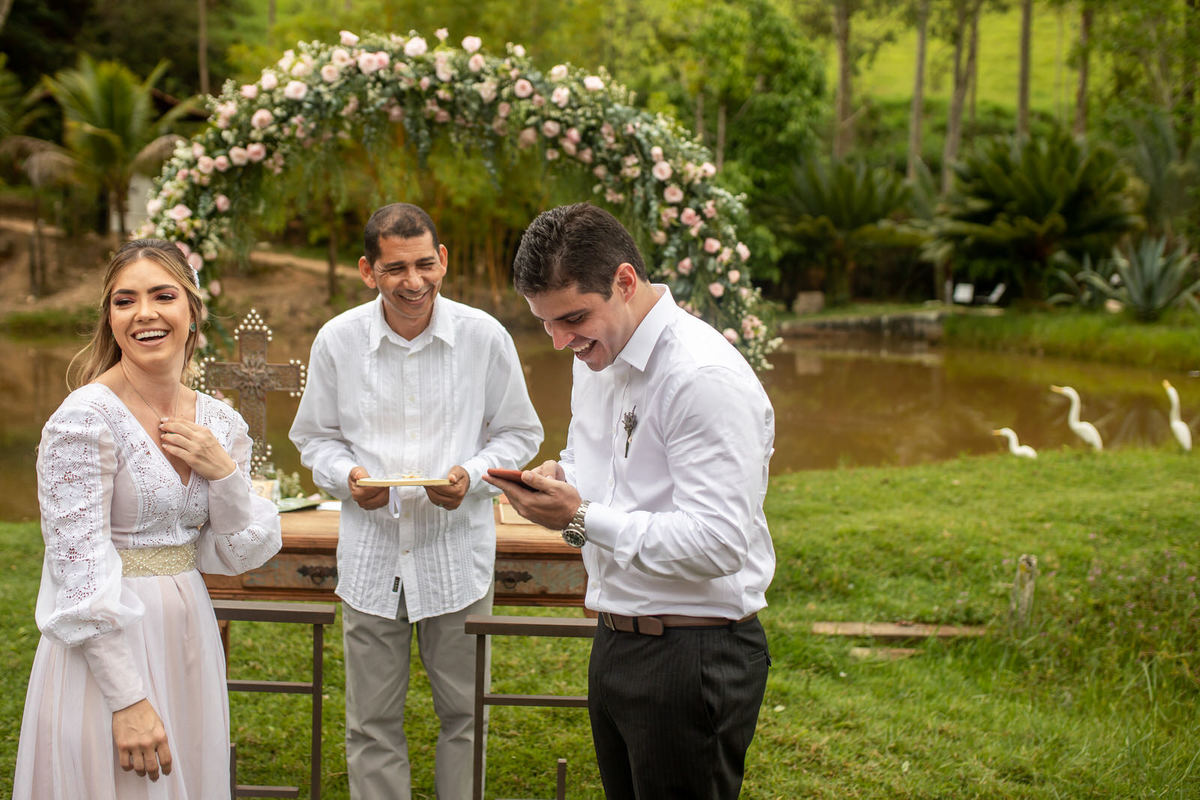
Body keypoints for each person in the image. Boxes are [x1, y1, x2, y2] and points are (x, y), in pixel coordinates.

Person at [486, 203, 775, 799]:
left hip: (694, 654)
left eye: (573, 317)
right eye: (545, 323)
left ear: (624, 281)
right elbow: (607, 481)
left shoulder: (701, 376)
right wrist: (558, 484)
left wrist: (582, 517)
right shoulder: (595, 360)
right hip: (617, 637)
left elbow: (719, 543)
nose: (562, 340)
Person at [12, 239, 283, 799]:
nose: (145, 314)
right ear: (110, 319)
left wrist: (224, 472)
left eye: (163, 296)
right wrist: (127, 700)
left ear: (192, 310)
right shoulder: (83, 420)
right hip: (109, 646)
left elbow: (236, 552)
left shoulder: (220, 422)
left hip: (188, 631)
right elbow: (78, 568)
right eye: (125, 301)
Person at [289, 202, 543, 800]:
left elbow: (519, 431)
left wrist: (474, 475)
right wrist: (347, 476)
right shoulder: (337, 340)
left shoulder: (483, 336)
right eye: (395, 268)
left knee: (465, 716)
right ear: (367, 270)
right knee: (371, 724)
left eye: (425, 264)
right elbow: (313, 437)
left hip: (456, 556)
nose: (414, 282)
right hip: (372, 558)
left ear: (443, 259)